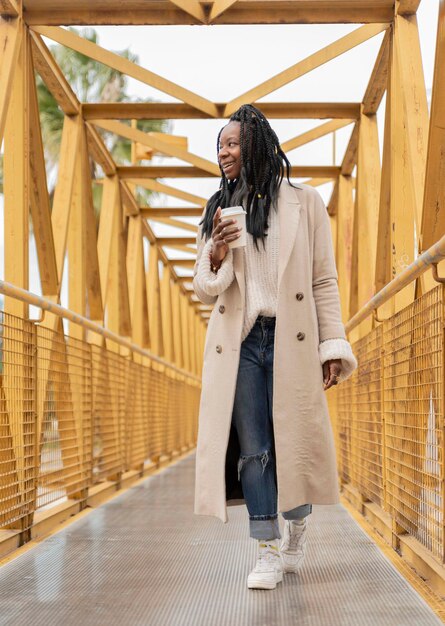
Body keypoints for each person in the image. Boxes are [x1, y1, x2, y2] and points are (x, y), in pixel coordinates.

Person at [192, 104, 357, 590]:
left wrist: (332, 344)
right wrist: (217, 252)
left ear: (257, 145)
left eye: (233, 143)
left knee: (293, 443)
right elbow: (205, 288)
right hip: (242, 344)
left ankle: (297, 525)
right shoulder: (218, 211)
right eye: (220, 145)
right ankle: (265, 548)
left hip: (291, 340)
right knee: (253, 450)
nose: (224, 152)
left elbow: (323, 279)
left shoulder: (305, 204)